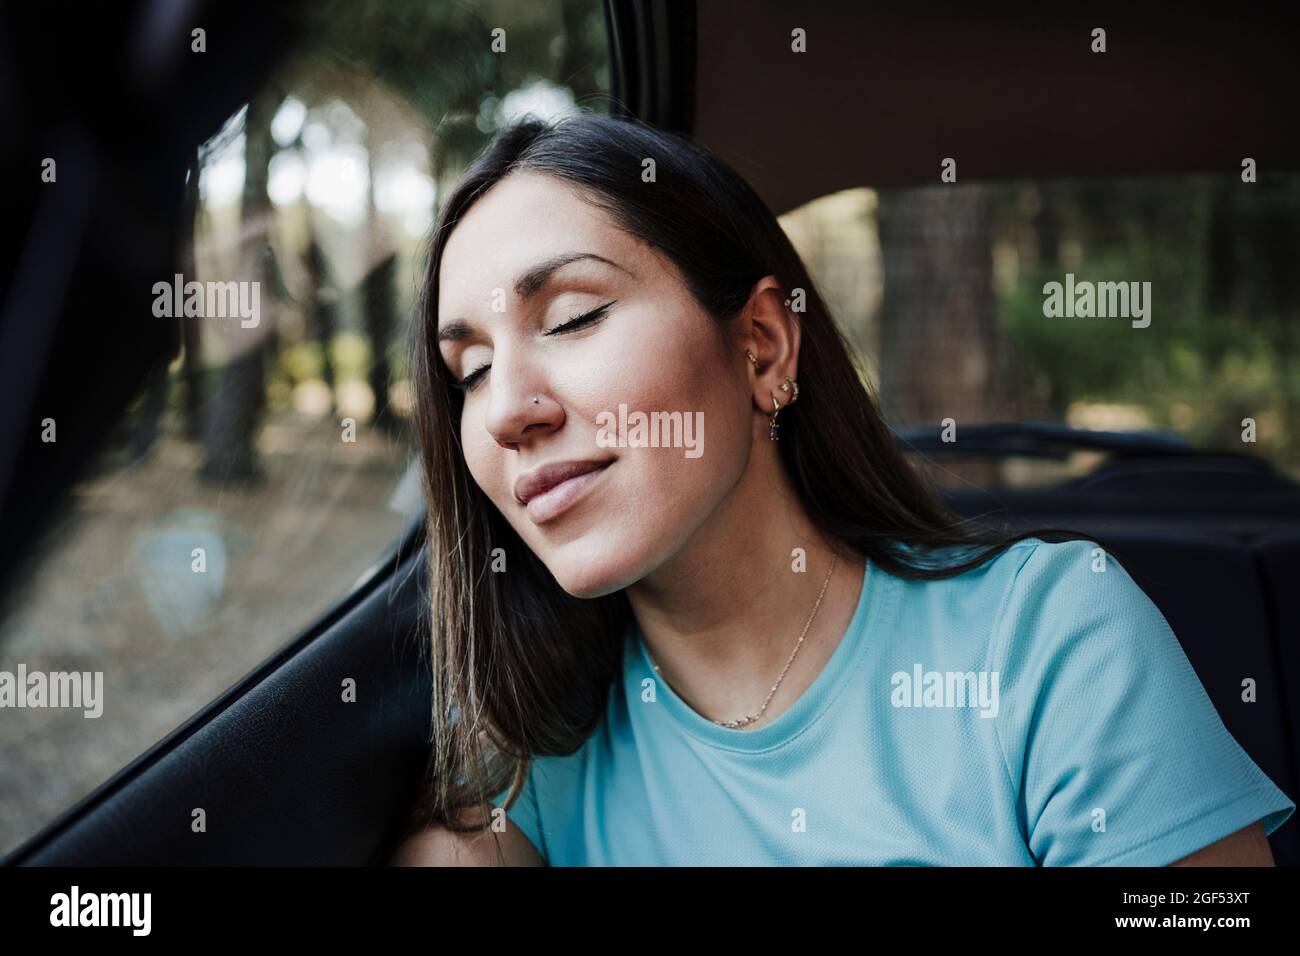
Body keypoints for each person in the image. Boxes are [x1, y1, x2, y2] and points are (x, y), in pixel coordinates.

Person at [389, 111, 1294, 866]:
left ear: (763, 347)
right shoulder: (530, 758)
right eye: (467, 369)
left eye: (575, 316)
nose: (507, 408)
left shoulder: (1051, 641)